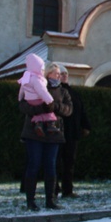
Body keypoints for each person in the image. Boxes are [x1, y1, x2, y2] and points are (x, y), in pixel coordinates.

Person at [19, 61, 72, 211]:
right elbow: (23, 105)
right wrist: (40, 108)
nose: (59, 76)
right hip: (34, 132)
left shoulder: (63, 92)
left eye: (60, 74)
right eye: (56, 73)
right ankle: (31, 200)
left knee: (51, 165)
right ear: (48, 74)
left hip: (53, 132)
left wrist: (55, 107)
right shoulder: (35, 85)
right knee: (34, 164)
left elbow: (68, 110)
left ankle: (50, 199)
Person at [55, 64, 91, 198]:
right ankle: (54, 188)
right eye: (61, 74)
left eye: (66, 74)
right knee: (56, 161)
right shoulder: (54, 91)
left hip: (72, 132)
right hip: (57, 131)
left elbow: (81, 110)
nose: (64, 76)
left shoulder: (74, 93)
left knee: (69, 162)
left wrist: (86, 125)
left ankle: (67, 189)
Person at [17, 54, 59, 137]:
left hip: (29, 100)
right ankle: (51, 125)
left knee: (38, 113)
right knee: (49, 111)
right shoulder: (37, 79)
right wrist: (49, 100)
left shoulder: (26, 76)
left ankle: (38, 124)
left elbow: (22, 89)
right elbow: (42, 91)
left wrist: (20, 98)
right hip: (38, 99)